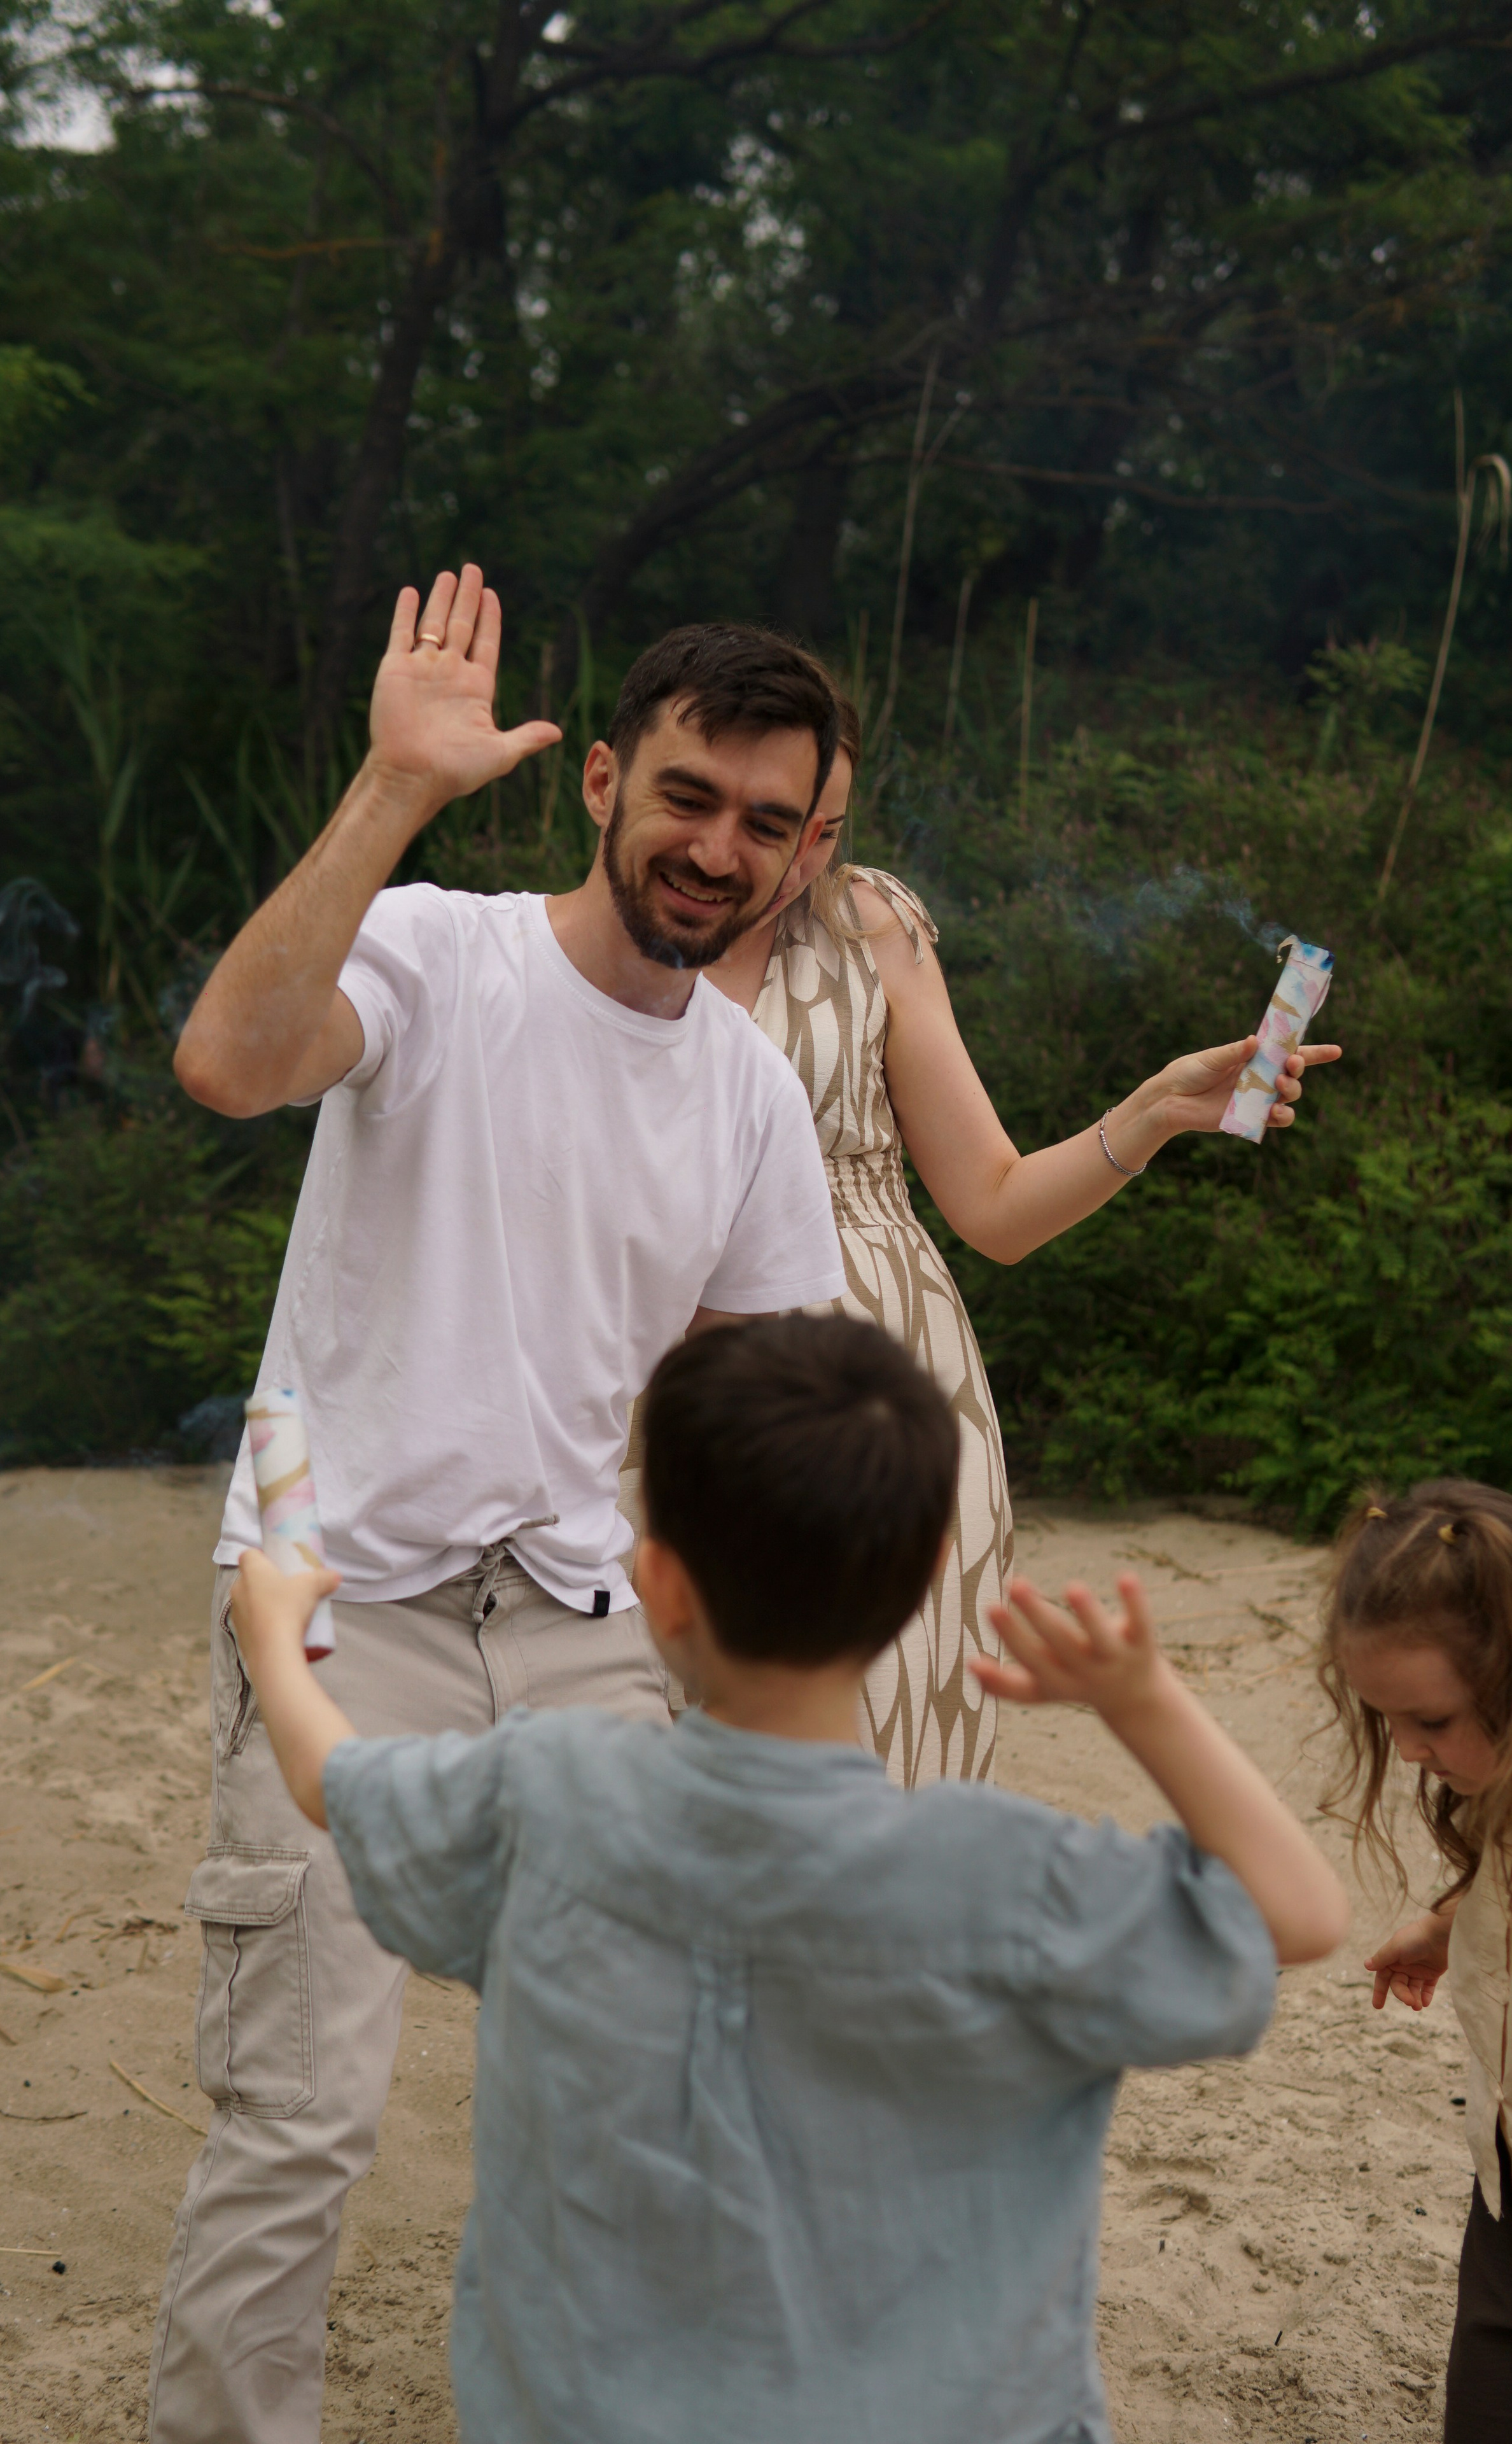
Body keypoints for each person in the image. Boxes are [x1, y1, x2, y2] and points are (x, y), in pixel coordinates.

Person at [151, 566, 850, 2443]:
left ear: (806, 852)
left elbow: (745, 1408)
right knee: (303, 2123)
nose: (720, 849)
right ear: (604, 780)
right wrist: (390, 792)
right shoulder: (443, 954)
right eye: (691, 797)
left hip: (594, 1646)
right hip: (336, 1605)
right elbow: (225, 1063)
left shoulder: (753, 1100)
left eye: (768, 824)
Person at [228, 1310, 1347, 2444]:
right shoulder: (1009, 1883)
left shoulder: (548, 1800)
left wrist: (276, 1636)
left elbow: (335, 1784)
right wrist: (1141, 1700)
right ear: (921, 1590)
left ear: (660, 1588)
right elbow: (1301, 1913)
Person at [704, 687, 1342, 1786]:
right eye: (779, 821)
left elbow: (993, 1207)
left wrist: (1151, 1115)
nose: (807, 857)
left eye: (831, 828)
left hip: (893, 1393)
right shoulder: (595, 945)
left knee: (891, 1765)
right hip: (677, 1391)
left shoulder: (871, 926)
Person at [1318, 1479, 1512, 2444]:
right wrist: (1451, 1923)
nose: (1407, 1749)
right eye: (1385, 1718)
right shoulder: (1498, 1797)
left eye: (1430, 1722)